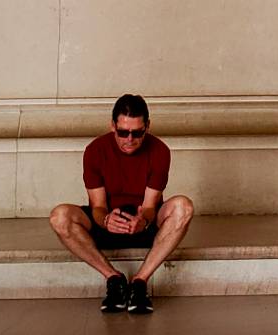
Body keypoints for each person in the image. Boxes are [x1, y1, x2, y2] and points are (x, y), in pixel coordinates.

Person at [49, 93, 195, 315]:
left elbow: (149, 206)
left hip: (145, 221)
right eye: (123, 132)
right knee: (59, 216)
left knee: (184, 206)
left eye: (137, 133)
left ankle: (139, 282)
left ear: (147, 126)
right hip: (106, 220)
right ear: (112, 126)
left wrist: (143, 221)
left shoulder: (160, 151)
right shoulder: (95, 151)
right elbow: (97, 206)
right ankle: (113, 278)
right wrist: (106, 221)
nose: (129, 139)